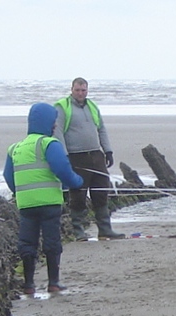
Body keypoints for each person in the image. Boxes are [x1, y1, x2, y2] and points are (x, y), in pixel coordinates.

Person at [3, 102, 87, 296]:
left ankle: (29, 284)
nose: (55, 125)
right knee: (52, 242)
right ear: (47, 122)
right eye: (53, 121)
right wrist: (77, 182)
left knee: (27, 243)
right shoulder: (48, 144)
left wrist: (20, 192)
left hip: (26, 204)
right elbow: (62, 169)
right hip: (49, 203)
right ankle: (53, 282)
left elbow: (8, 176)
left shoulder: (15, 148)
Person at [53, 77, 120, 241]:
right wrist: (64, 155)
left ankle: (105, 230)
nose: (80, 93)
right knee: (78, 194)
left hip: (96, 155)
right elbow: (57, 131)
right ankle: (78, 231)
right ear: (72, 90)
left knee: (101, 192)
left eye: (83, 90)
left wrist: (108, 151)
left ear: (87, 90)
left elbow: (101, 129)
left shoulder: (92, 106)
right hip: (76, 156)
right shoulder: (62, 107)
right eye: (77, 90)